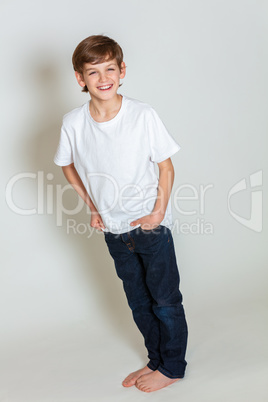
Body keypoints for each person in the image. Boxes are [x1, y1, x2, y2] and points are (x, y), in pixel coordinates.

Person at [54, 34, 188, 393]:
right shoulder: (73, 123)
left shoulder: (142, 115)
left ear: (122, 70)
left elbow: (167, 167)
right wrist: (94, 208)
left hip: (150, 227)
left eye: (109, 68)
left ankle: (172, 366)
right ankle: (157, 359)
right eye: (93, 72)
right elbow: (67, 166)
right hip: (114, 231)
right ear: (80, 79)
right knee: (139, 303)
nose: (103, 78)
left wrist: (157, 213)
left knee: (165, 300)